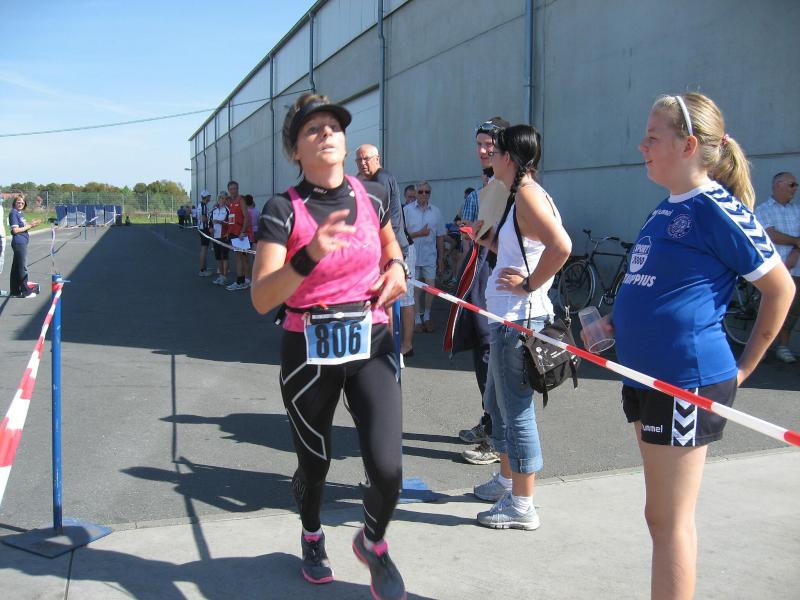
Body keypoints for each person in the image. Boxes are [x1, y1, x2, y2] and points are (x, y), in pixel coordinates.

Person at [589, 92, 794, 600]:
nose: (642, 146)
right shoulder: (664, 208)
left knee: (670, 520)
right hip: (645, 375)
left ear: (688, 145)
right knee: (658, 516)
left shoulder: (717, 209)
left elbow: (780, 288)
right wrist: (615, 321)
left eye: (652, 137)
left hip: (685, 380)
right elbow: (656, 284)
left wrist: (745, 368)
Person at [251, 92, 408, 599]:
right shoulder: (283, 209)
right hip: (308, 351)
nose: (326, 134)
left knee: (388, 467)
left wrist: (398, 269)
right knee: (316, 463)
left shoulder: (373, 196)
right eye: (312, 129)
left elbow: (390, 246)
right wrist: (309, 255)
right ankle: (312, 533)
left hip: (371, 338)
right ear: (295, 150)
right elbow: (262, 296)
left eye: (333, 127)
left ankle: (373, 543)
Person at [464, 124, 571, 530]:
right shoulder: (519, 193)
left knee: (516, 412)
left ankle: (522, 504)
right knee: (497, 405)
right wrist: (486, 242)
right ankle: (507, 482)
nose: (488, 156)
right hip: (507, 318)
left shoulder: (526, 194)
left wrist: (528, 284)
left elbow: (561, 247)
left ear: (509, 157)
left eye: (494, 151)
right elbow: (522, 248)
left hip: (519, 320)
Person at [446, 117, 509, 465]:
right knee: (482, 355)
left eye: (490, 144)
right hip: (478, 278)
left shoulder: (512, 186)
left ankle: (497, 437)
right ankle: (488, 422)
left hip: (498, 285)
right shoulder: (487, 184)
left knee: (493, 360)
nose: (483, 150)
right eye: (480, 144)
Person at [355, 144, 415, 358]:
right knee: (393, 299)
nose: (363, 163)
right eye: (359, 160)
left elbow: (374, 217)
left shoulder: (380, 179)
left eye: (367, 158)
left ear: (377, 159)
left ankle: (391, 349)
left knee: (389, 300)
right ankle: (394, 347)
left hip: (391, 249)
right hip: (391, 246)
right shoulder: (376, 179)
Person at [754, 171, 800, 362]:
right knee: (767, 309)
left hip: (795, 268)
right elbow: (770, 234)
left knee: (793, 309)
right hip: (772, 270)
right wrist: (796, 241)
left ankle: (783, 346)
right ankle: (759, 348)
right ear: (778, 185)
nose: (795, 188)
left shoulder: (797, 210)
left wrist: (796, 250)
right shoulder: (763, 210)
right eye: (792, 184)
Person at [404, 181, 445, 332]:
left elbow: (440, 236)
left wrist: (441, 259)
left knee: (431, 288)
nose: (423, 194)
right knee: (415, 289)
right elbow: (402, 235)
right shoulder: (407, 211)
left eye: (427, 192)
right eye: (420, 191)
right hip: (412, 256)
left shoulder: (436, 212)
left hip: (429, 256)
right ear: (416, 193)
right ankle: (417, 319)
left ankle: (427, 316)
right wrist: (419, 234)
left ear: (430, 194)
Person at [8, 194, 42, 298]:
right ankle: (26, 292)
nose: (20, 204)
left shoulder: (20, 213)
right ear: (15, 203)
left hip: (22, 242)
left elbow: (23, 226)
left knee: (16, 268)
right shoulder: (13, 213)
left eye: (22, 203)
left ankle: (15, 291)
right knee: (22, 268)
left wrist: (32, 224)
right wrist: (30, 225)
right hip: (19, 243)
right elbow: (15, 230)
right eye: (18, 202)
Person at [226, 181, 251, 291]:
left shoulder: (241, 200)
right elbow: (232, 218)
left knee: (243, 258)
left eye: (235, 188)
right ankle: (242, 280)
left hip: (240, 234)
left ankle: (244, 281)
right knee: (239, 257)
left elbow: (246, 217)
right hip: (233, 234)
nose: (233, 191)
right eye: (231, 189)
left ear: (238, 189)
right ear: (229, 190)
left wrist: (242, 232)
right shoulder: (230, 202)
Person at [210, 192, 231, 286]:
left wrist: (220, 222)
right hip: (215, 237)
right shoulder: (214, 210)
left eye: (225, 198)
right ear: (218, 199)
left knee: (225, 257)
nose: (223, 200)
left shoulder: (228, 210)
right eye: (221, 198)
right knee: (218, 257)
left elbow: (230, 223)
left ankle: (225, 277)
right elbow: (210, 222)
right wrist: (210, 228)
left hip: (224, 236)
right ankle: (221, 276)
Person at [197, 190, 213, 277]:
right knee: (204, 249)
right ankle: (202, 270)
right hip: (204, 229)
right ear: (206, 197)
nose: (210, 197)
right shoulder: (203, 206)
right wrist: (211, 219)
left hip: (201, 228)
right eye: (209, 196)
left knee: (204, 249)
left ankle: (204, 268)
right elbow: (203, 219)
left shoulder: (200, 205)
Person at [244, 194, 258, 282]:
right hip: (256, 234)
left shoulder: (245, 212)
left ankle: (247, 277)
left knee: (247, 258)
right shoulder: (257, 211)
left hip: (247, 234)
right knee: (255, 256)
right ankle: (255, 277)